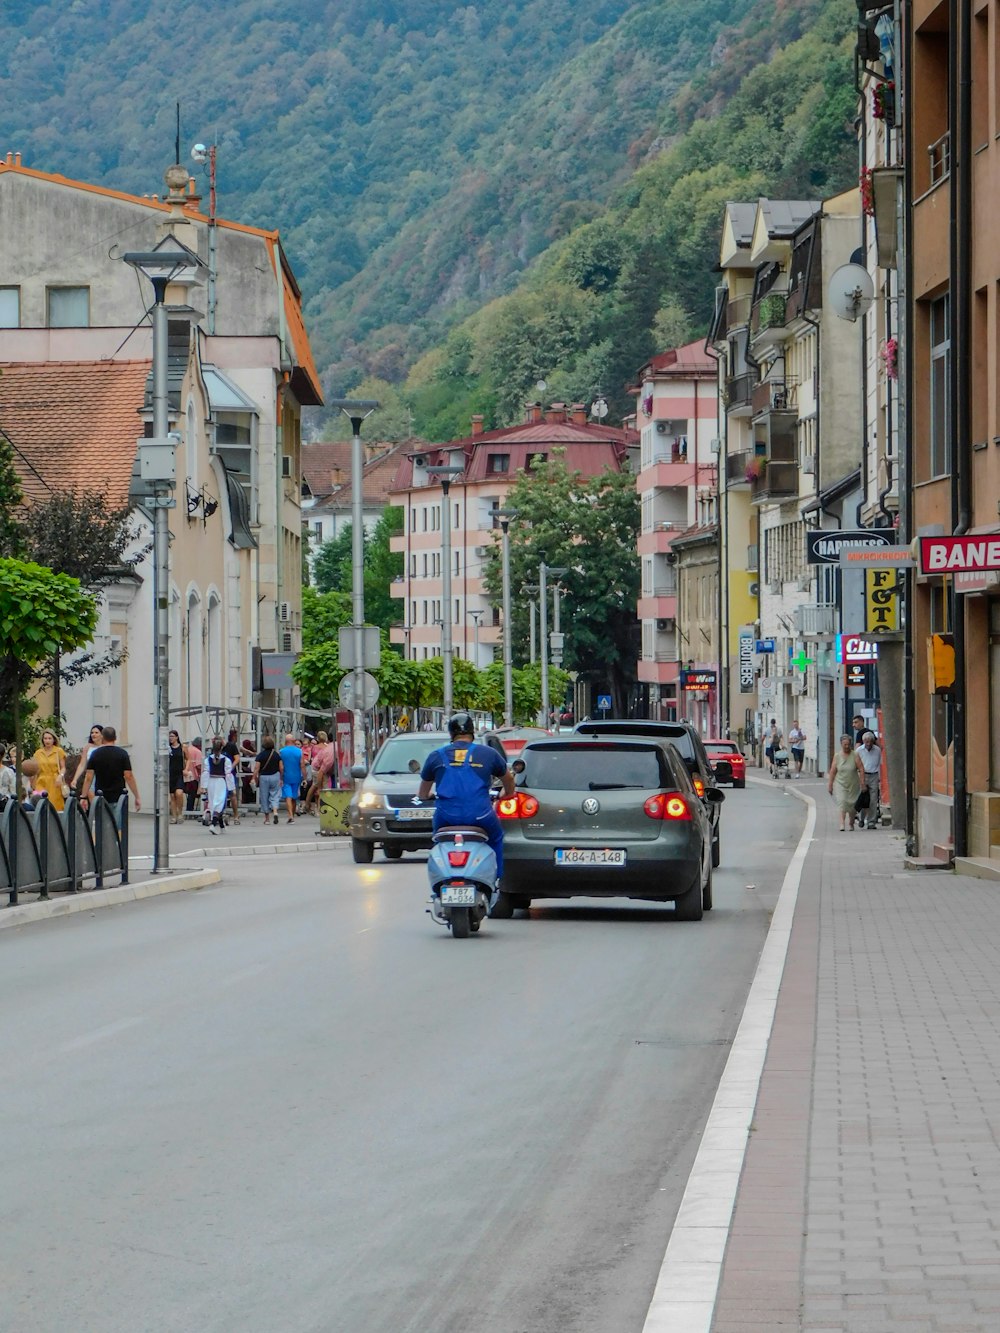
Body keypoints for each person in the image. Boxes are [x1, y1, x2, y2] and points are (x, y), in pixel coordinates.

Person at [417, 712, 515, 885]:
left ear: (451, 733)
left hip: (446, 818)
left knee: (438, 842)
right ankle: (497, 878)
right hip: (481, 817)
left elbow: (422, 793)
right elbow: (508, 779)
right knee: (497, 837)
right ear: (472, 731)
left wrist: (428, 796)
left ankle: (439, 881)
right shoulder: (488, 754)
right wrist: (507, 794)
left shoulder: (436, 756)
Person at [80, 726, 141, 811]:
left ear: (102, 737)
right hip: (118, 796)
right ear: (115, 738)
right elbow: (128, 776)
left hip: (100, 795)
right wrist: (137, 796)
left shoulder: (95, 754)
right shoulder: (122, 754)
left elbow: (89, 777)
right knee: (118, 823)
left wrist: (83, 796)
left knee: (102, 823)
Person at [827, 733, 865, 832]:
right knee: (842, 802)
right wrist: (830, 785)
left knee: (853, 806)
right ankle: (842, 823)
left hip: (853, 784)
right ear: (841, 744)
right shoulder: (837, 756)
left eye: (848, 744)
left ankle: (851, 823)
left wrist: (862, 782)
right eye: (845, 745)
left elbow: (861, 768)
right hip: (840, 783)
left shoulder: (855, 755)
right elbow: (832, 771)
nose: (847, 747)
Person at [199, 737, 232, 833]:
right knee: (220, 804)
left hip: (211, 782)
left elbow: (205, 773)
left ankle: (222, 826)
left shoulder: (207, 759)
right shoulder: (226, 760)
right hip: (221, 782)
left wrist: (203, 786)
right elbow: (228, 774)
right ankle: (213, 824)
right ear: (221, 748)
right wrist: (231, 788)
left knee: (213, 803)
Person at [32, 728, 68, 811]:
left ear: (53, 739)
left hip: (55, 781)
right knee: (40, 805)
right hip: (41, 781)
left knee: (55, 806)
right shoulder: (38, 753)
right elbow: (35, 769)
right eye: (45, 738)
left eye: (49, 738)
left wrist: (60, 776)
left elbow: (63, 767)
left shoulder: (58, 751)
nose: (47, 741)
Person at [252, 736, 283, 825]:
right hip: (275, 776)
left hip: (264, 777)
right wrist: (281, 777)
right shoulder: (276, 755)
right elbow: (281, 767)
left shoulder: (260, 755)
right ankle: (275, 811)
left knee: (264, 796)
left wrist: (253, 778)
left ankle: (267, 819)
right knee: (275, 794)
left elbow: (256, 768)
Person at [856, 730, 882, 829]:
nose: (868, 744)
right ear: (863, 741)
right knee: (863, 799)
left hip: (874, 775)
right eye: (866, 742)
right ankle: (861, 818)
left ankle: (871, 821)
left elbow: (878, 762)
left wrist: (878, 776)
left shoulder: (877, 750)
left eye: (870, 741)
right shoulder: (859, 750)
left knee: (873, 800)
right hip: (863, 775)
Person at [304, 730, 335, 814]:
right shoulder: (328, 749)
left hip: (315, 766)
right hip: (320, 769)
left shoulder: (315, 747)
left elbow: (312, 757)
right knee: (322, 788)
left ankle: (307, 805)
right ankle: (321, 808)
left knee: (314, 785)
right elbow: (322, 770)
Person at [278, 733, 304, 824]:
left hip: (286, 776)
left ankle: (290, 815)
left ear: (286, 741)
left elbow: (281, 767)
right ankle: (292, 815)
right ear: (293, 741)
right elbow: (302, 764)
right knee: (293, 797)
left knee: (288, 796)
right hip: (296, 776)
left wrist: (281, 777)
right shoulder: (299, 751)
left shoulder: (281, 751)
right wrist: (304, 776)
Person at [223, 729, 242, 823]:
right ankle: (220, 814)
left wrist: (230, 768)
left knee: (232, 794)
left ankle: (236, 815)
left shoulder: (231, 746)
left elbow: (237, 759)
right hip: (219, 776)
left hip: (230, 775)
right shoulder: (216, 748)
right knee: (221, 794)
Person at [168, 729, 186, 824]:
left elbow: (189, 758)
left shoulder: (182, 747)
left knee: (179, 793)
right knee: (172, 795)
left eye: (172, 736)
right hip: (170, 774)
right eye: (170, 736)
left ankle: (180, 813)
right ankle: (174, 816)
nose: (171, 738)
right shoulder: (168, 748)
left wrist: (186, 769)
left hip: (179, 773)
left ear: (177, 737)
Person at [183, 737, 203, 812]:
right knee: (192, 794)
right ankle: (190, 810)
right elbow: (198, 765)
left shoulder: (188, 749)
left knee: (189, 794)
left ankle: (189, 809)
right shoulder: (198, 752)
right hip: (193, 776)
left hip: (185, 774)